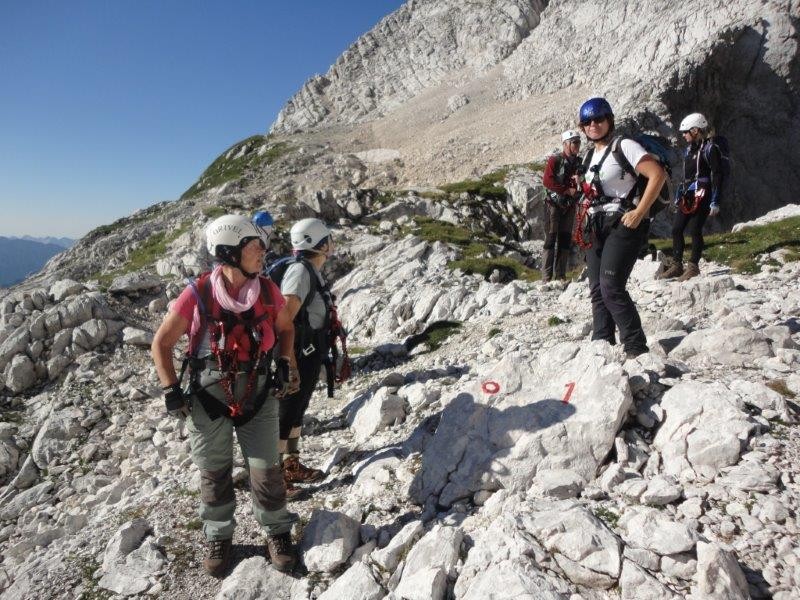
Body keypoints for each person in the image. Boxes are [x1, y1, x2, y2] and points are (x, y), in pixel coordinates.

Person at [151, 214, 300, 576]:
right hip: (209, 399)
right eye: (254, 246)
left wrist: (284, 361)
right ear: (230, 251)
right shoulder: (199, 293)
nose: (262, 252)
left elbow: (286, 328)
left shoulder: (267, 291)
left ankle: (277, 531)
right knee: (214, 472)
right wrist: (171, 389)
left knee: (266, 469)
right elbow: (161, 343)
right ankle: (219, 535)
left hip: (258, 394)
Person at [578, 97, 667, 358]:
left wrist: (639, 212)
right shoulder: (589, 156)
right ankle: (602, 342)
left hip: (623, 221)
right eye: (587, 122)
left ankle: (636, 347)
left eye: (598, 119)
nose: (593, 125)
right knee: (597, 288)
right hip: (595, 224)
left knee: (610, 285)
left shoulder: (624, 145)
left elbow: (657, 174)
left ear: (609, 120)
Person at [278, 218, 334, 498]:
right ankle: (273, 479)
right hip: (298, 354)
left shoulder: (310, 270)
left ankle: (291, 465)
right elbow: (284, 318)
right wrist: (289, 363)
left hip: (309, 351)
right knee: (286, 413)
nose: (332, 243)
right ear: (321, 245)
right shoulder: (300, 272)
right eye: (328, 239)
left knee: (297, 411)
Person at [659, 113, 724, 281]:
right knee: (677, 229)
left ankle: (693, 266)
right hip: (687, 194)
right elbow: (686, 176)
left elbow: (717, 174)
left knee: (695, 229)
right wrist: (679, 195)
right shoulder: (689, 150)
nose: (683, 135)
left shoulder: (710, 149)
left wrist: (715, 201)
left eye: (685, 132)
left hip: (703, 194)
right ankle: (677, 265)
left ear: (695, 130)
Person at [542, 130, 582, 281]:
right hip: (553, 205)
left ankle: (560, 276)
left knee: (565, 240)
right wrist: (566, 190)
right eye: (574, 142)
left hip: (569, 206)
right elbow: (547, 181)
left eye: (579, 142)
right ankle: (546, 278)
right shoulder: (555, 160)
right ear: (565, 144)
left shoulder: (579, 163)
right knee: (550, 239)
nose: (577, 145)